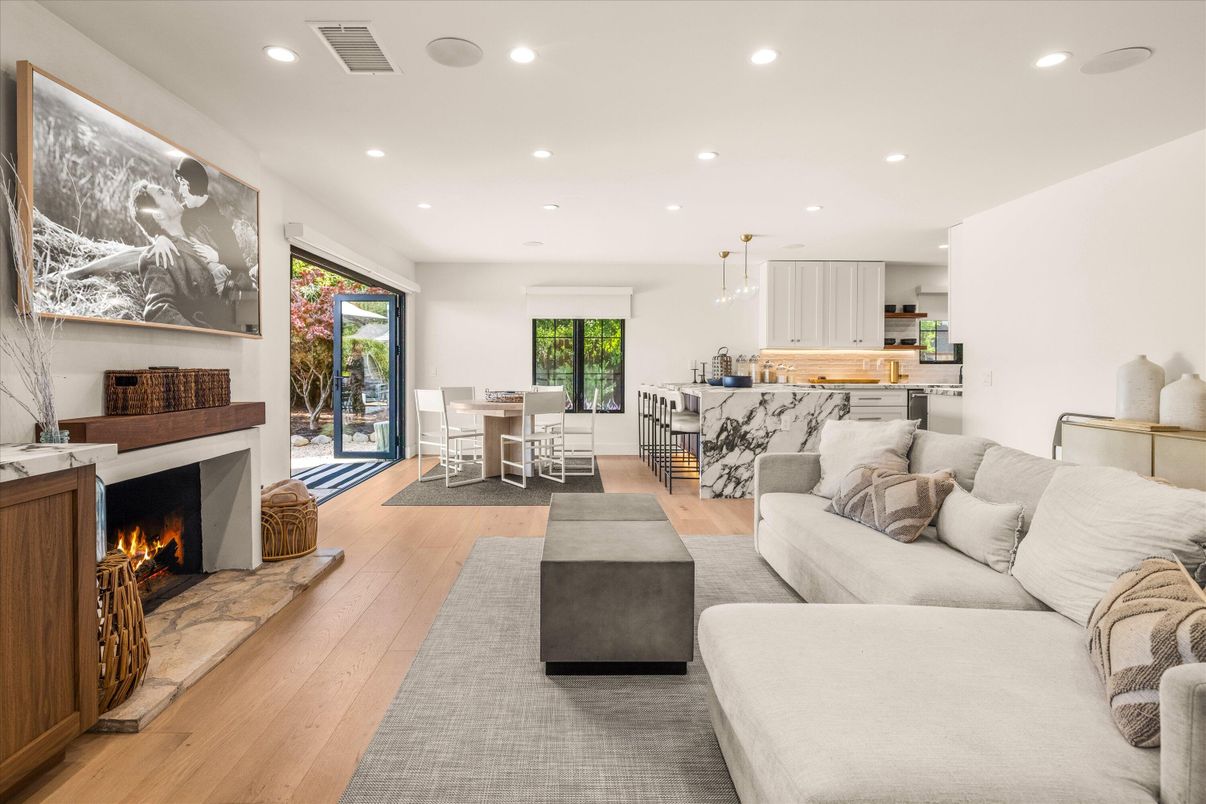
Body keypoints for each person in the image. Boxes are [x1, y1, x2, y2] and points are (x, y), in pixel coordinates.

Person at [147, 157, 256, 295]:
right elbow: (165, 224)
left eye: (183, 184)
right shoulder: (183, 212)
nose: (180, 191)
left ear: (194, 183)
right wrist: (160, 238)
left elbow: (240, 265)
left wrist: (217, 256)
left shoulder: (220, 222)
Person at [129, 180, 230, 328]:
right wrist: (202, 336)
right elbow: (158, 312)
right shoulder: (159, 255)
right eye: (162, 193)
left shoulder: (200, 231)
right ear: (158, 215)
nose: (170, 191)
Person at [346, 342, 366, 417]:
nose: (353, 354)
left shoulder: (360, 359)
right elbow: (347, 369)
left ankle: (361, 412)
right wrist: (348, 362)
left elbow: (359, 370)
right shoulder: (352, 359)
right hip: (353, 380)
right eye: (353, 352)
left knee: (358, 396)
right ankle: (356, 412)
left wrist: (351, 369)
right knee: (354, 397)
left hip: (358, 380)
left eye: (354, 352)